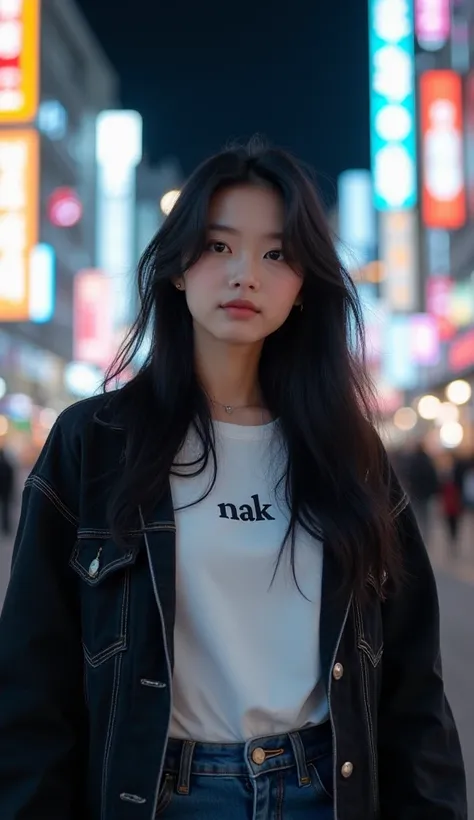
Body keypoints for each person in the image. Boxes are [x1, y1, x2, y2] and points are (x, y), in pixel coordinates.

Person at [0, 139, 466, 820]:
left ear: (305, 287)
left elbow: (411, 686)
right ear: (179, 268)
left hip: (325, 791)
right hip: (159, 794)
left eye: (276, 254)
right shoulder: (94, 442)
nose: (245, 273)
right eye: (219, 246)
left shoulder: (347, 451)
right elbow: (31, 682)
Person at [404, 441, 439, 541]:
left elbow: (410, 476)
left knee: (417, 514)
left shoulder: (413, 461)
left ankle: (418, 534)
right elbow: (433, 477)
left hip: (416, 492)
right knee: (426, 515)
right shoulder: (428, 460)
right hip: (426, 493)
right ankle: (426, 535)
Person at [0, 447, 14, 535]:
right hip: (6, 491)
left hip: (4, 490)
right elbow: (11, 479)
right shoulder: (8, 465)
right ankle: (6, 527)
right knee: (6, 510)